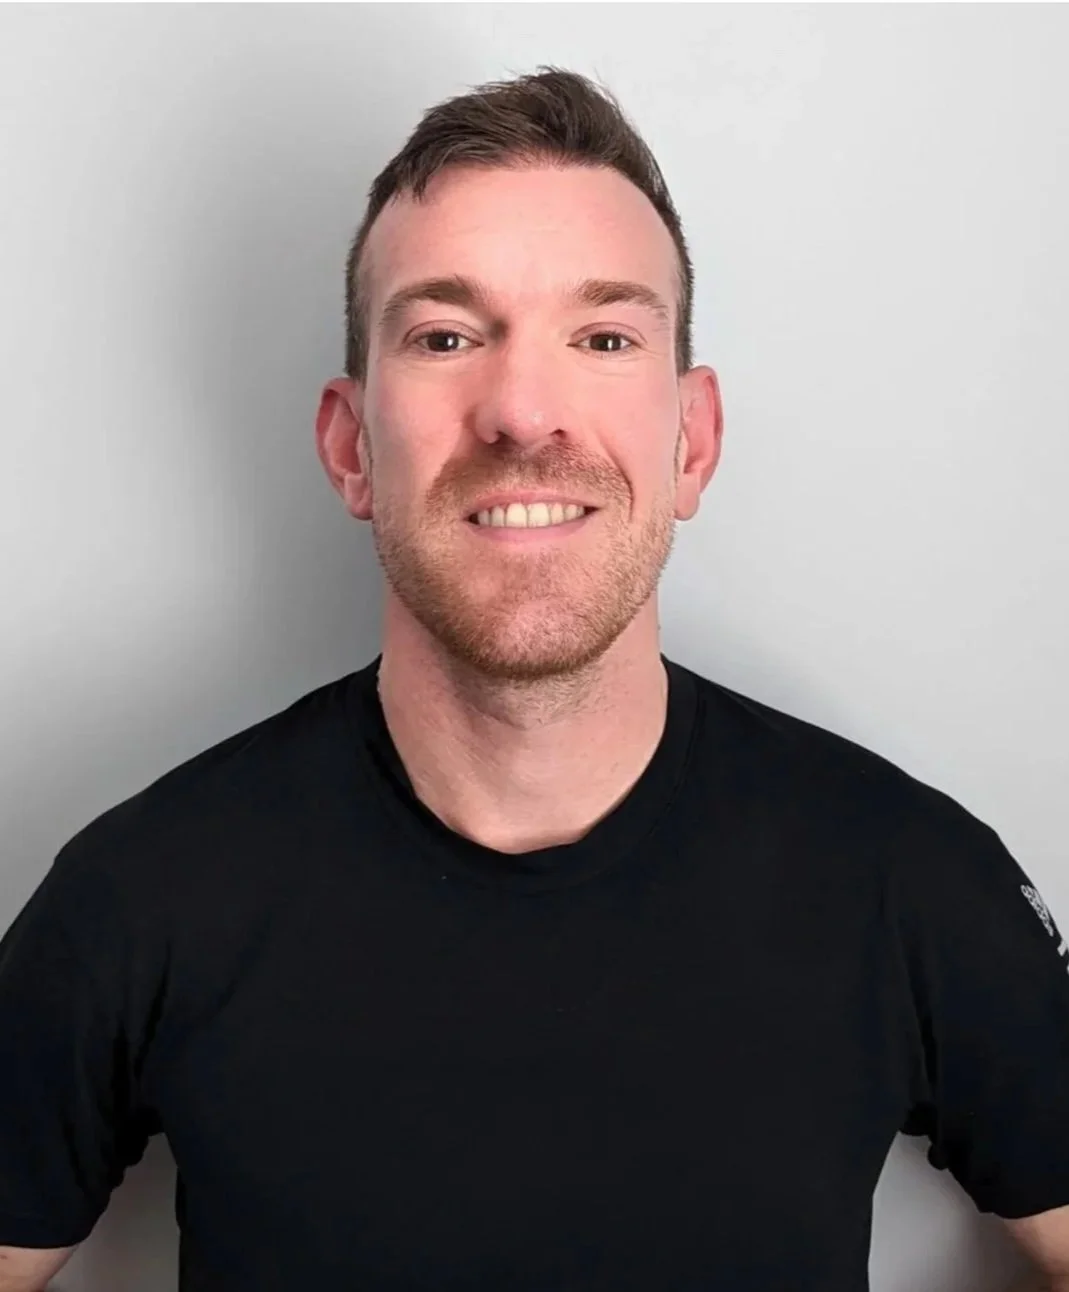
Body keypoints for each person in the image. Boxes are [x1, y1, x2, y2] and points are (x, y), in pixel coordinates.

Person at [1, 65, 1067, 1292]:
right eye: (446, 337)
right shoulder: (141, 898)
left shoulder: (906, 880)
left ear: (692, 441)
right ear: (352, 447)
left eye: (603, 337)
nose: (520, 411)